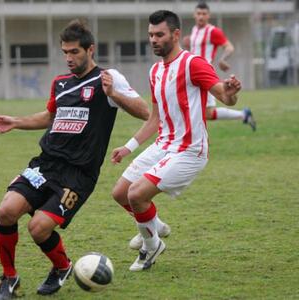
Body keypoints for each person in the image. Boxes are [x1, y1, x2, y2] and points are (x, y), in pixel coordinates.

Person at [0, 20, 149, 299]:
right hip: (45, 164)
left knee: (38, 228)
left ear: (90, 49)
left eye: (74, 52)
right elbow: (50, 117)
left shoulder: (108, 78)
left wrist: (114, 94)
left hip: (77, 174)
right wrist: (15, 121)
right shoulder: (60, 83)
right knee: (6, 211)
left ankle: (62, 267)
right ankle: (9, 278)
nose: (69, 58)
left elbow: (145, 111)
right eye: (65, 52)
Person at [111, 10, 242, 271]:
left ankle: (152, 246)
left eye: (159, 34)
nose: (154, 40)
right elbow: (155, 118)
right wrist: (128, 147)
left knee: (136, 195)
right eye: (150, 35)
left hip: (190, 150)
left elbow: (224, 97)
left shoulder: (193, 64)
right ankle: (153, 225)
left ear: (176, 34)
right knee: (120, 193)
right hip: (163, 145)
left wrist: (231, 94)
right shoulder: (155, 71)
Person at [184, 1, 256, 130]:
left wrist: (223, 59)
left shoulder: (213, 31)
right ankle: (244, 114)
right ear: (194, 15)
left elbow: (229, 47)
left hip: (204, 73)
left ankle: (194, 142)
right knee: (205, 112)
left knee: (200, 111)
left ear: (208, 16)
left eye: (204, 14)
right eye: (198, 13)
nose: (201, 16)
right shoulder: (194, 30)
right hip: (192, 74)